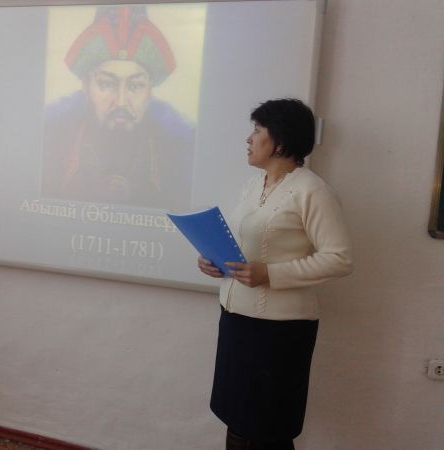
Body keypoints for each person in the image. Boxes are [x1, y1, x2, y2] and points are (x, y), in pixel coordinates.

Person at [197, 99, 353, 450]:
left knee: (267, 428)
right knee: (237, 420)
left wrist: (271, 274)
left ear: (280, 142)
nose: (248, 139)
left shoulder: (314, 191)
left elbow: (340, 259)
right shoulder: (255, 185)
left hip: (278, 332)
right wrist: (215, 262)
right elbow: (247, 245)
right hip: (236, 319)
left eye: (257, 131)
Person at [40, 6, 195, 209]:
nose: (121, 102)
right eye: (106, 84)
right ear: (86, 87)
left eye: (135, 86)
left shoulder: (181, 143)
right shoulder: (51, 130)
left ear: (150, 91)